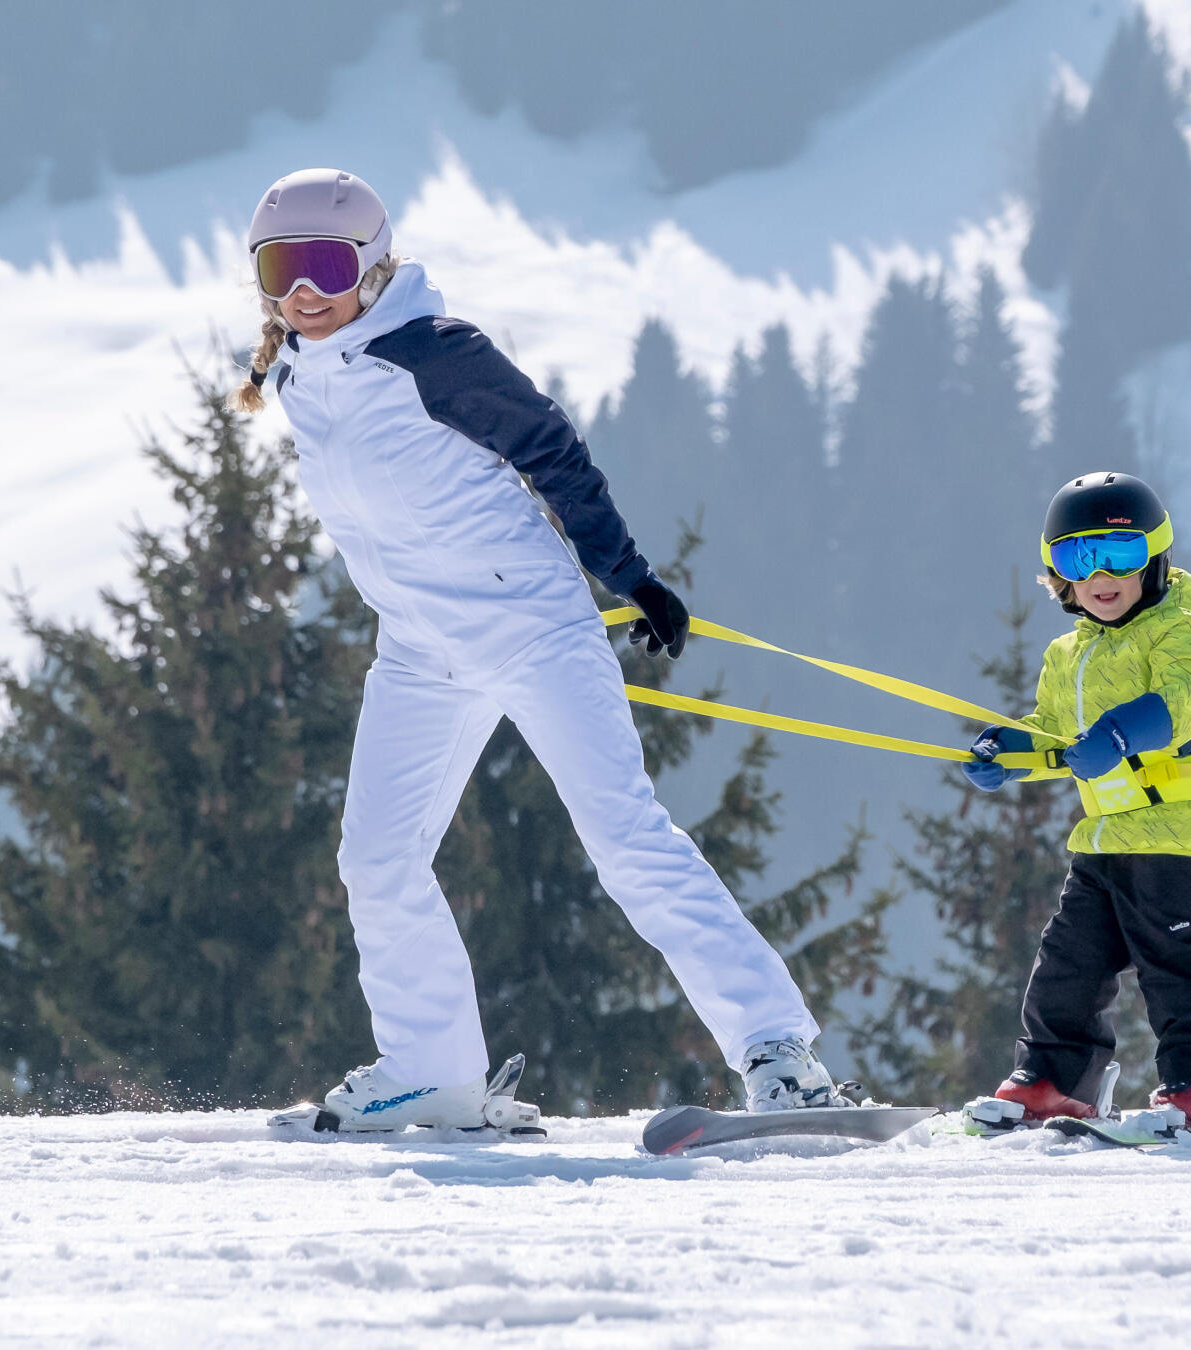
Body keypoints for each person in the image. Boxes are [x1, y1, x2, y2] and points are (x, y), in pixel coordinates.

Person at [232, 167, 838, 1127]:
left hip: (530, 629)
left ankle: (781, 1056)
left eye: (324, 264)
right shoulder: (301, 372)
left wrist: (629, 576)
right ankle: (433, 1073)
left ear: (376, 266)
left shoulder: (434, 354)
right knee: (377, 858)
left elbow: (551, 451)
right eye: (279, 267)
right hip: (421, 649)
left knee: (626, 839)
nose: (302, 290)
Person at [962, 471, 1191, 1127]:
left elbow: (1190, 695)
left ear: (1152, 556)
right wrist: (1005, 753)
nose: (1101, 576)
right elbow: (1053, 736)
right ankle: (1053, 1080)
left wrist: (1123, 732)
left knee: (1178, 965)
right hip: (1103, 841)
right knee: (1068, 966)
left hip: (1174, 832)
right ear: (1058, 573)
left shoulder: (1179, 628)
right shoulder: (1070, 654)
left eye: (1118, 556)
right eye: (1078, 557)